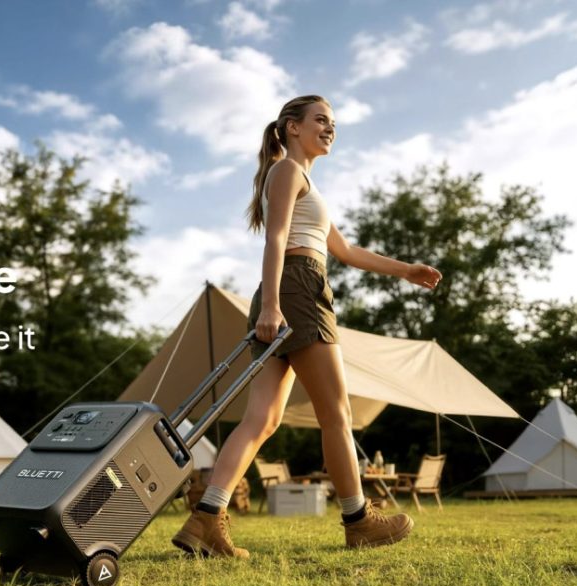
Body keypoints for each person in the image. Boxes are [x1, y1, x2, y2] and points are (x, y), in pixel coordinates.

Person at [171, 95, 442, 557]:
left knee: (264, 419)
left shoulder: (303, 182)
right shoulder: (287, 171)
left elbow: (346, 252)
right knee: (336, 413)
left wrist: (406, 270)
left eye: (333, 123)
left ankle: (206, 518)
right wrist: (271, 305)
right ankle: (358, 520)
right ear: (292, 127)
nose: (330, 128)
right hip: (296, 290)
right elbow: (276, 238)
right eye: (321, 120)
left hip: (291, 291)